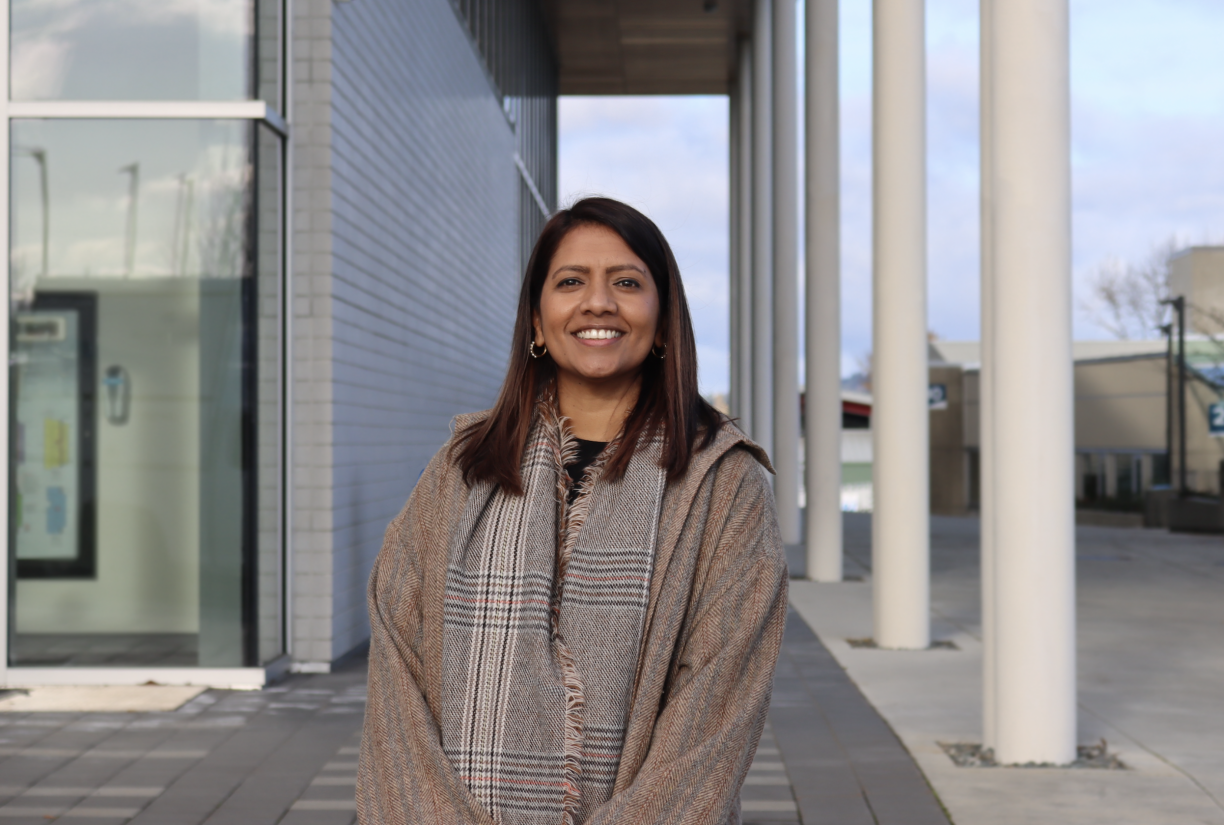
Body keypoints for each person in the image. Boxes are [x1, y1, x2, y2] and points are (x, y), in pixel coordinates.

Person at [357, 197, 788, 825]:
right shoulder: (461, 467)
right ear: (537, 320)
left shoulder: (721, 481)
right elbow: (398, 669)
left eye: (627, 282)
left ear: (665, 320)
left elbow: (717, 708)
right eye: (570, 282)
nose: (598, 302)